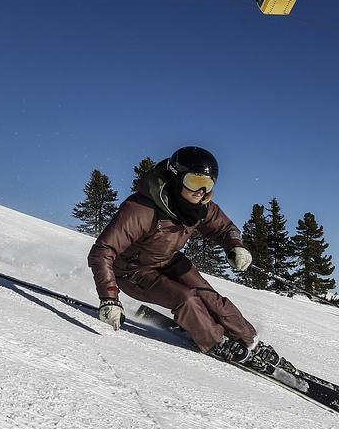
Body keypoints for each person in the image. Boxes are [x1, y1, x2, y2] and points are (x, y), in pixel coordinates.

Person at [87, 146, 275, 364]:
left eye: (208, 184)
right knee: (185, 298)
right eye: (195, 182)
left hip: (168, 261)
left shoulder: (200, 207)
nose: (201, 192)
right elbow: (102, 252)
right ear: (176, 178)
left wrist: (235, 246)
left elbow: (224, 228)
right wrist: (109, 298)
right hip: (132, 271)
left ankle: (250, 340)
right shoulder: (141, 209)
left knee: (211, 298)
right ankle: (215, 342)